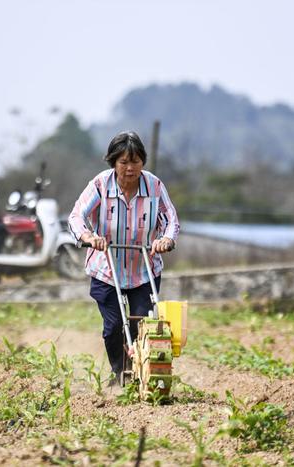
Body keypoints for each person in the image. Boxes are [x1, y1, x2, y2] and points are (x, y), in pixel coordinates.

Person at [68, 131, 179, 383]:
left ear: (143, 162)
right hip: (106, 268)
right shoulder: (100, 185)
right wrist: (88, 237)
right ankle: (119, 373)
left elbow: (171, 219)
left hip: (144, 269)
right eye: (124, 162)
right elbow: (76, 216)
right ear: (113, 162)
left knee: (143, 323)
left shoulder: (154, 185)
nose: (130, 168)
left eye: (136, 161)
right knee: (113, 327)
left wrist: (165, 239)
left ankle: (139, 372)